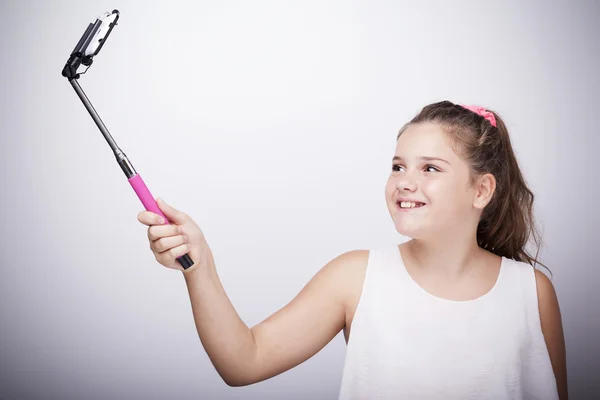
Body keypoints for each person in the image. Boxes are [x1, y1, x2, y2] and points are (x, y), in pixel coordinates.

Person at [137, 100, 567, 399]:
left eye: (430, 168)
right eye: (398, 166)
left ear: (481, 190)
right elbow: (243, 362)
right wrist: (200, 266)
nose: (405, 181)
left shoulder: (531, 292)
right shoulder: (355, 278)